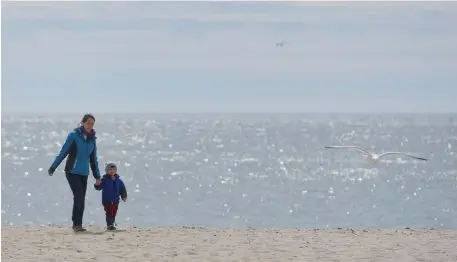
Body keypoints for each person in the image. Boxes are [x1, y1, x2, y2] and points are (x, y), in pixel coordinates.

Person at [48, 113, 101, 232]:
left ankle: (78, 224)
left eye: (92, 124)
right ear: (83, 122)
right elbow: (63, 152)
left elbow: (93, 159)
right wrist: (53, 167)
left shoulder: (92, 139)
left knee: (81, 199)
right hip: (72, 171)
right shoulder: (74, 136)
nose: (90, 126)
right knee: (79, 196)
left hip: (84, 173)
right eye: (88, 123)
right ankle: (76, 224)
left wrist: (97, 176)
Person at [94, 163, 127, 230]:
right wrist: (97, 185)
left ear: (116, 170)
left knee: (114, 212)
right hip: (107, 200)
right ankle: (109, 225)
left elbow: (122, 189)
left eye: (114, 169)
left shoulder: (118, 180)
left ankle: (111, 223)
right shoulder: (104, 180)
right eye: (110, 169)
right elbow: (99, 187)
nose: (112, 171)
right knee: (109, 211)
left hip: (115, 200)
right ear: (107, 171)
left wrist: (124, 196)